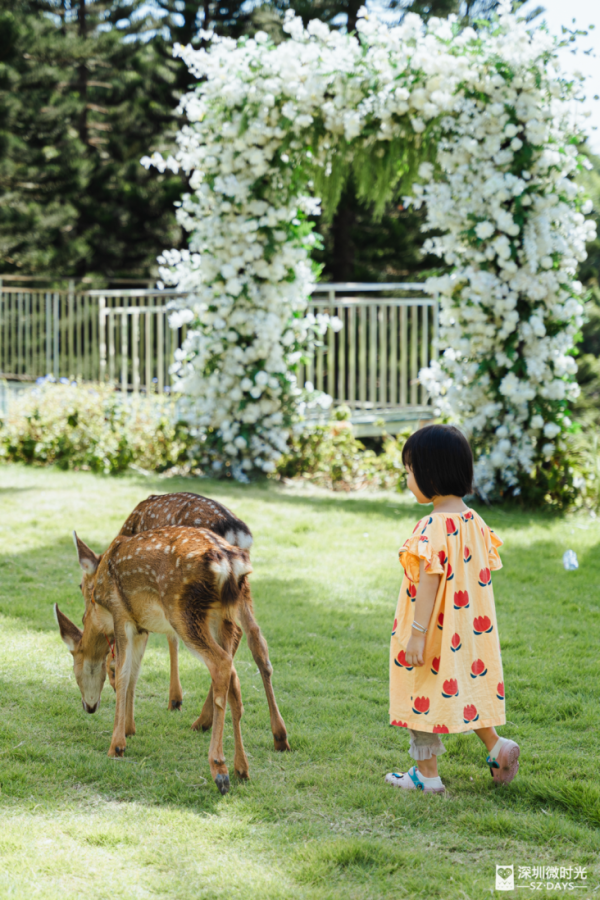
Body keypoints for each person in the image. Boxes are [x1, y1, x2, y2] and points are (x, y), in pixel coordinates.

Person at [386, 424, 519, 794]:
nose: (408, 479)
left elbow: (429, 582)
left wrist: (417, 634)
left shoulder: (430, 527)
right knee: (464, 684)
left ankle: (425, 776)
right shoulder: (475, 522)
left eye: (410, 471)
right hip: (468, 633)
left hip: (433, 632)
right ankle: (496, 746)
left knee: (421, 691)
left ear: (430, 473)